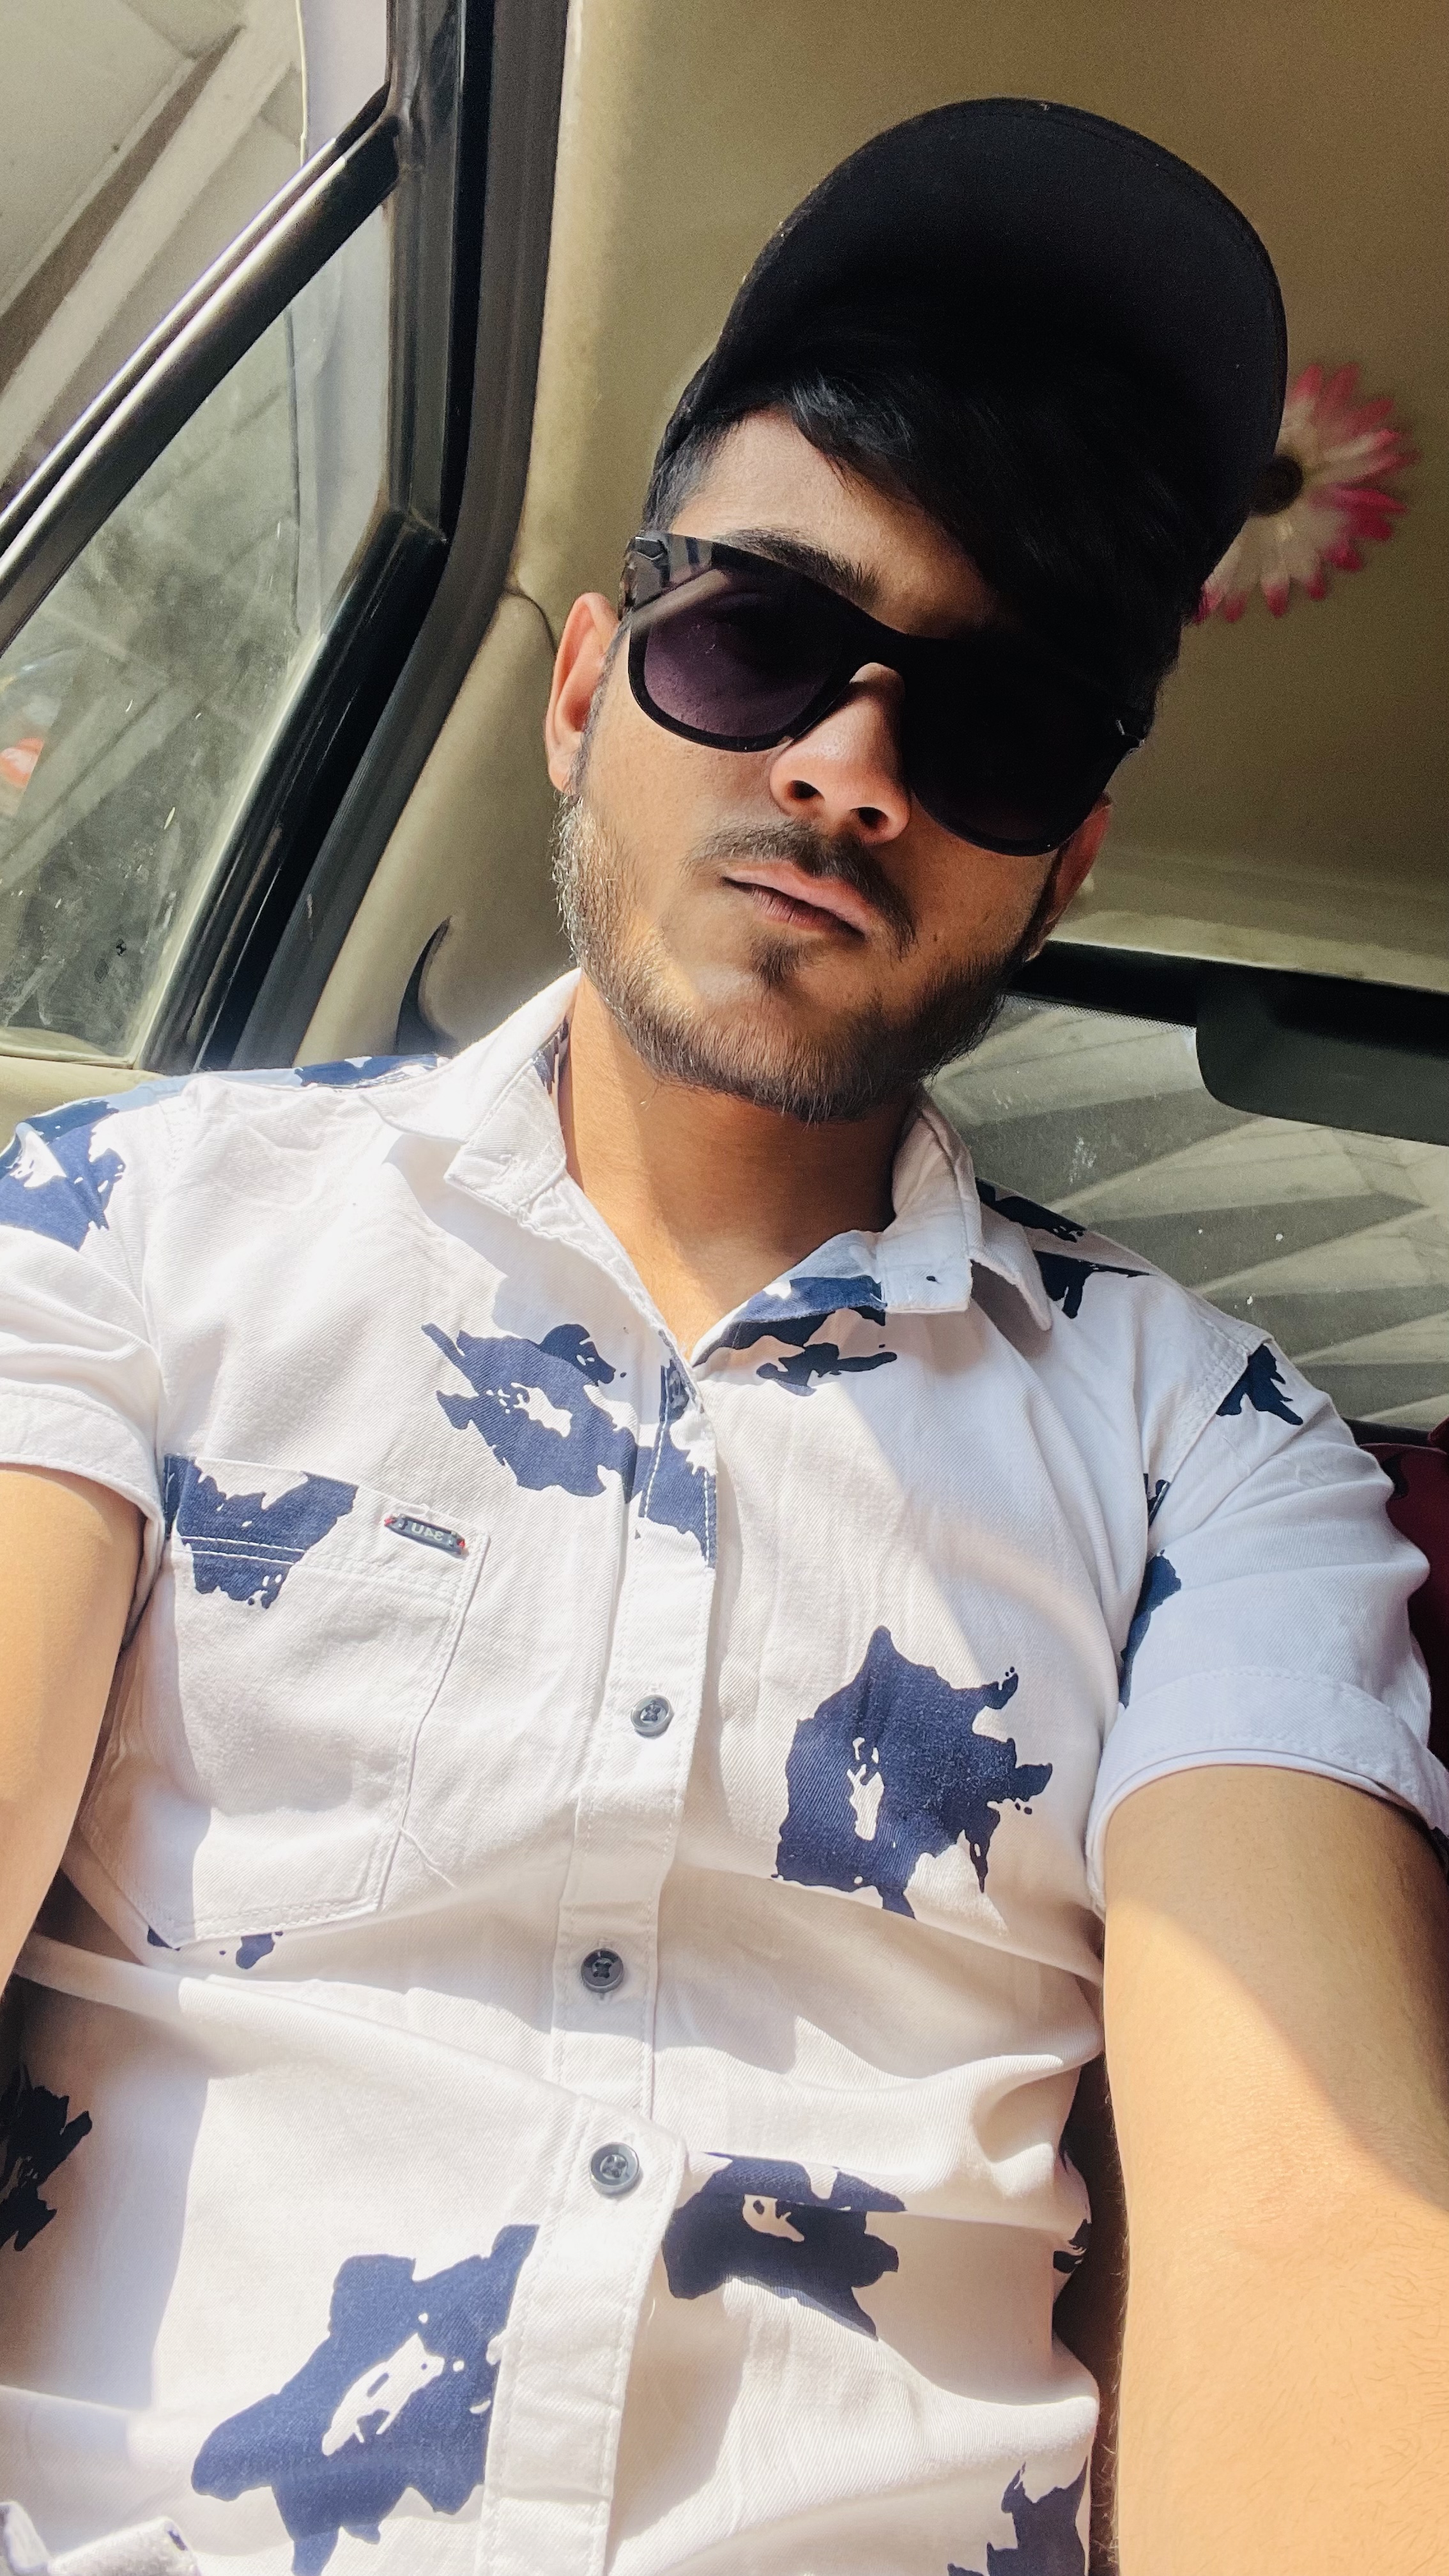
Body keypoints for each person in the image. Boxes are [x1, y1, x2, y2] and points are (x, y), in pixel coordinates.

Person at [0, 98, 1446, 2576]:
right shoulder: (125, 1231)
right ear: (585, 690)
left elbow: (1310, 2219)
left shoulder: (1213, 1453)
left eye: (993, 728)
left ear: (1063, 869)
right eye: (756, 636)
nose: (850, 764)